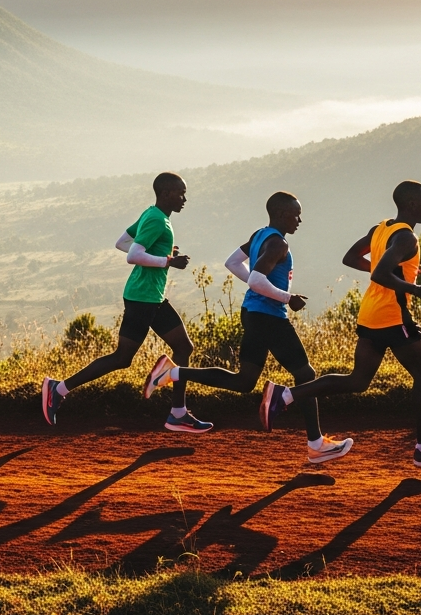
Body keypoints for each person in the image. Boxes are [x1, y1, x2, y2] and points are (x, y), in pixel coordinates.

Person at [260, 181, 421, 468]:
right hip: (393, 316)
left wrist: (388, 270)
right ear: (409, 204)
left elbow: (351, 258)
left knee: (358, 381)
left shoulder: (380, 229)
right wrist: (416, 289)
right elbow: (381, 274)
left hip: (371, 314)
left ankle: (287, 395)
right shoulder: (406, 238)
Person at [142, 192, 353, 463]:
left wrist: (260, 289)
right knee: (306, 373)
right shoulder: (278, 244)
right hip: (269, 317)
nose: (299, 219)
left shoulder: (259, 235)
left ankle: (174, 372)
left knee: (244, 381)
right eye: (295, 214)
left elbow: (233, 263)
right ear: (280, 214)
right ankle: (316, 443)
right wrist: (288, 298)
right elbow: (255, 279)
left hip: (253, 312)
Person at [41, 172, 212, 433]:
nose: (184, 198)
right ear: (166, 193)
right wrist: (168, 261)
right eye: (180, 193)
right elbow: (132, 254)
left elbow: (122, 242)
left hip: (151, 296)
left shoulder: (151, 214)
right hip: (142, 298)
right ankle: (59, 389)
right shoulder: (159, 221)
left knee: (183, 347)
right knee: (122, 358)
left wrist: (161, 253)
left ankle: (177, 413)